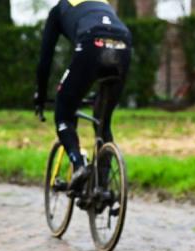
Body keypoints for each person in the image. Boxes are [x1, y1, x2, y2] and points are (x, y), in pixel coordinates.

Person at [34, 0, 132, 191]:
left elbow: (45, 58)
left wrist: (40, 94)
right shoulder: (102, 2)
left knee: (63, 112)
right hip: (123, 41)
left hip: (91, 41)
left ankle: (78, 165)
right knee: (103, 120)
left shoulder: (59, 9)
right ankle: (102, 188)